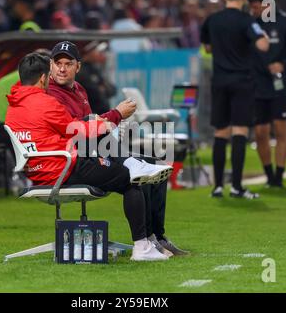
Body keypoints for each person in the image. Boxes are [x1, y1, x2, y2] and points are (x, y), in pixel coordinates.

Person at [5, 52, 168, 261]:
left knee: (125, 167)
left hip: (41, 171)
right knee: (130, 178)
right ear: (43, 78)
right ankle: (142, 248)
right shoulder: (45, 103)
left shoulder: (13, 105)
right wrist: (112, 118)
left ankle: (132, 165)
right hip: (63, 168)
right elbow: (77, 129)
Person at [47, 41, 189, 256]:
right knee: (133, 174)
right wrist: (115, 115)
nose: (62, 68)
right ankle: (144, 243)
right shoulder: (51, 94)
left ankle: (156, 237)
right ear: (50, 65)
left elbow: (92, 126)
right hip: (73, 157)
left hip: (91, 149)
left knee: (154, 165)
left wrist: (107, 120)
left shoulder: (79, 89)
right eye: (58, 63)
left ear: (78, 67)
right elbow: (78, 129)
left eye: (68, 63)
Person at [200, 0, 269, 199]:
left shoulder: (212, 20)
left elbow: (208, 47)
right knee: (239, 130)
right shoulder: (247, 21)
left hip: (220, 81)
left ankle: (218, 187)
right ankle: (237, 186)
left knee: (220, 132)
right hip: (242, 81)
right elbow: (262, 45)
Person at [248, 0, 286, 187]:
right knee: (260, 132)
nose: (255, 11)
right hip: (256, 85)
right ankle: (268, 174)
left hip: (279, 84)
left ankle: (278, 176)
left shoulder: (285, 23)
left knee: (281, 129)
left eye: (258, 7)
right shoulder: (250, 24)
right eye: (253, 8)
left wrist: (283, 64)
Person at [75, 41, 116, 115]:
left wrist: (102, 89)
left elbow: (112, 89)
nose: (99, 54)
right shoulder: (80, 71)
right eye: (96, 51)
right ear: (89, 53)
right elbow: (94, 94)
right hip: (91, 114)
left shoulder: (95, 68)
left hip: (103, 114)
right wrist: (101, 89)